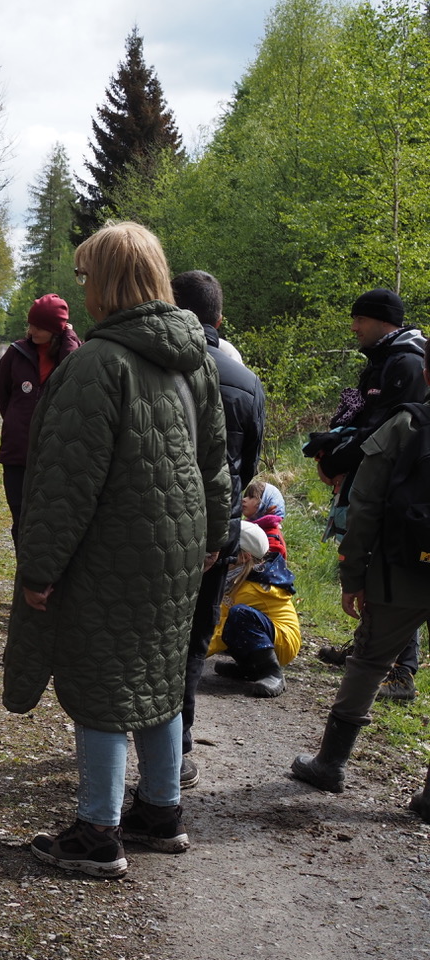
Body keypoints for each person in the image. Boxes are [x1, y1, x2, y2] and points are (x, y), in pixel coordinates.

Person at [3, 221, 230, 879]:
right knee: (157, 673)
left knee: (101, 682)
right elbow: (215, 462)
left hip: (111, 550)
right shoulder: (195, 359)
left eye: (86, 277)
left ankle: (99, 832)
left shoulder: (97, 365)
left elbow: (63, 484)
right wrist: (215, 537)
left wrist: (40, 570)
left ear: (105, 282)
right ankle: (161, 812)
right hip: (179, 553)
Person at [291, 350, 430, 793]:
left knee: (369, 662)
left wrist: (353, 575)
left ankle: (330, 764)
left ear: (426, 374)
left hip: (399, 574)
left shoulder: (406, 425)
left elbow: (364, 505)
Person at [170, 269, 266, 789]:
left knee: (141, 636)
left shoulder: (151, 367)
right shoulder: (245, 382)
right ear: (220, 319)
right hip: (216, 529)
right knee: (192, 640)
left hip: (154, 528)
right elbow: (246, 468)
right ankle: (178, 750)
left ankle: (116, 743)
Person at [307, 289, 427, 699]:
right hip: (368, 471)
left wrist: (343, 460)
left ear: (383, 320)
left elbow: (395, 434)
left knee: (390, 568)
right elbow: (360, 418)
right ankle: (369, 642)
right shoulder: (380, 360)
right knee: (376, 566)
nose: (354, 327)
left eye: (360, 319)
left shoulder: (408, 363)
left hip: (398, 490)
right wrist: (332, 446)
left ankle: (400, 670)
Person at [0, 293, 82, 542]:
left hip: (56, 456)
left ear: (56, 329)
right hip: (17, 454)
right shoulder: (15, 353)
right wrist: (17, 422)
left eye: (39, 326)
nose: (31, 330)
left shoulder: (72, 354)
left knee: (52, 523)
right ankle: (25, 577)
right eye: (30, 324)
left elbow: (74, 377)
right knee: (21, 521)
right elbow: (3, 398)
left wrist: (68, 338)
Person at [207, 518, 301, 698]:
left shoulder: (252, 589)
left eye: (228, 549)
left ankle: (273, 673)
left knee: (239, 616)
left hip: (283, 643)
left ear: (244, 556)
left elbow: (221, 626)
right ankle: (249, 668)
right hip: (268, 636)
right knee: (234, 621)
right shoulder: (238, 578)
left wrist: (194, 656)